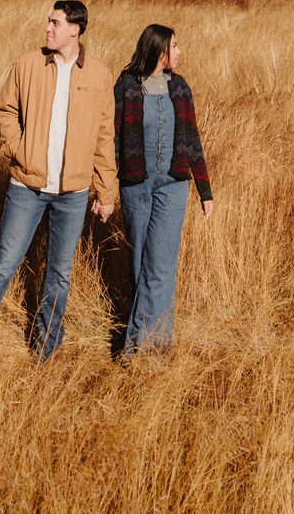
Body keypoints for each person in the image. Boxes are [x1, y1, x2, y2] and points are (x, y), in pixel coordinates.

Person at [0, 0, 118, 361]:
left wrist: (107, 190)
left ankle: (47, 350)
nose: (48, 28)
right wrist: (20, 148)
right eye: (49, 21)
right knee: (2, 263)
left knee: (59, 273)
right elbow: (5, 110)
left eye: (55, 23)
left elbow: (105, 136)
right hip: (26, 186)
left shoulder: (99, 74)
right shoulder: (27, 64)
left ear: (75, 29)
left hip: (73, 192)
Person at [114, 23, 213, 355]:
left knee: (163, 263)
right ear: (159, 51)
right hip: (136, 183)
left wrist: (205, 190)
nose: (180, 51)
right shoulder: (127, 86)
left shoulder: (180, 86)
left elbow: (192, 138)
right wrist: (106, 182)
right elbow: (114, 138)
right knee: (141, 261)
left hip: (173, 183)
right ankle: (145, 343)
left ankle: (149, 346)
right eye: (175, 45)